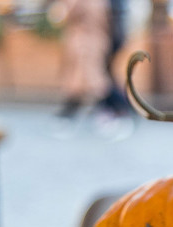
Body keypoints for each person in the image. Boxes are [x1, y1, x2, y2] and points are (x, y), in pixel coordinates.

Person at [48, 0, 120, 136]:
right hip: (92, 43)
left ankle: (110, 114)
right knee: (84, 84)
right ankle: (67, 118)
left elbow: (63, 15)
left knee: (92, 83)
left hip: (85, 45)